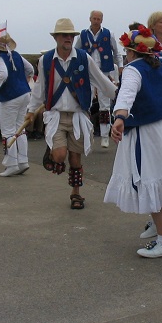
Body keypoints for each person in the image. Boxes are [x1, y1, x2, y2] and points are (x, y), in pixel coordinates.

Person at [105, 25, 162, 258]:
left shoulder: (133, 69)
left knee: (154, 180)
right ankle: (159, 227)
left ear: (131, 52)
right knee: (160, 179)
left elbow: (127, 92)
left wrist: (119, 117)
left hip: (149, 134)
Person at [26, 18, 117, 210]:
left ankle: (76, 194)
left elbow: (101, 80)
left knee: (75, 159)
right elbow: (40, 88)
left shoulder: (84, 58)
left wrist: (120, 96)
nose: (68, 38)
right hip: (56, 115)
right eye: (63, 35)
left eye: (70, 35)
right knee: (60, 156)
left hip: (78, 116)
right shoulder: (46, 60)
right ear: (56, 38)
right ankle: (53, 152)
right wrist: (31, 111)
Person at [0, 26, 34, 176]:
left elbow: (2, 74)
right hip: (25, 93)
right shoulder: (17, 55)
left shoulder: (0, 58)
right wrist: (23, 80)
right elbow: (31, 69)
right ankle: (23, 161)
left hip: (11, 96)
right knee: (20, 128)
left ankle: (12, 163)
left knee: (8, 130)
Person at [74, 10, 123, 148]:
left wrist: (120, 66)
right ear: (90, 19)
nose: (96, 21)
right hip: (87, 72)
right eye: (94, 18)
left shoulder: (108, 34)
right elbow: (75, 52)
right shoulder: (83, 35)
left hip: (104, 72)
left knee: (104, 104)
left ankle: (104, 136)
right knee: (86, 103)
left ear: (102, 20)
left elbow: (117, 52)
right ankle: (87, 133)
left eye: (98, 19)